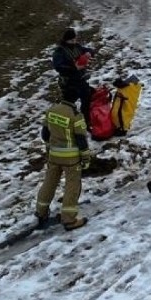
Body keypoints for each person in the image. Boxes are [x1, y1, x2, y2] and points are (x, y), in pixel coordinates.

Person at [34, 92, 91, 231]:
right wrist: (85, 158)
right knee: (72, 186)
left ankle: (41, 213)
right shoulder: (75, 115)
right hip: (71, 159)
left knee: (49, 182)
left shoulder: (51, 110)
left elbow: (45, 134)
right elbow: (81, 141)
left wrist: (50, 147)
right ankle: (69, 219)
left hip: (54, 155)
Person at [51, 28, 94, 122]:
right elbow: (58, 67)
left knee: (86, 101)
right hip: (69, 83)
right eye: (71, 40)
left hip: (81, 80)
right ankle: (67, 124)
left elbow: (88, 50)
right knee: (68, 105)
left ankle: (86, 122)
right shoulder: (59, 51)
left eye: (75, 40)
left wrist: (89, 53)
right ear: (66, 40)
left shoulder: (77, 46)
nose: (74, 42)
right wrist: (74, 67)